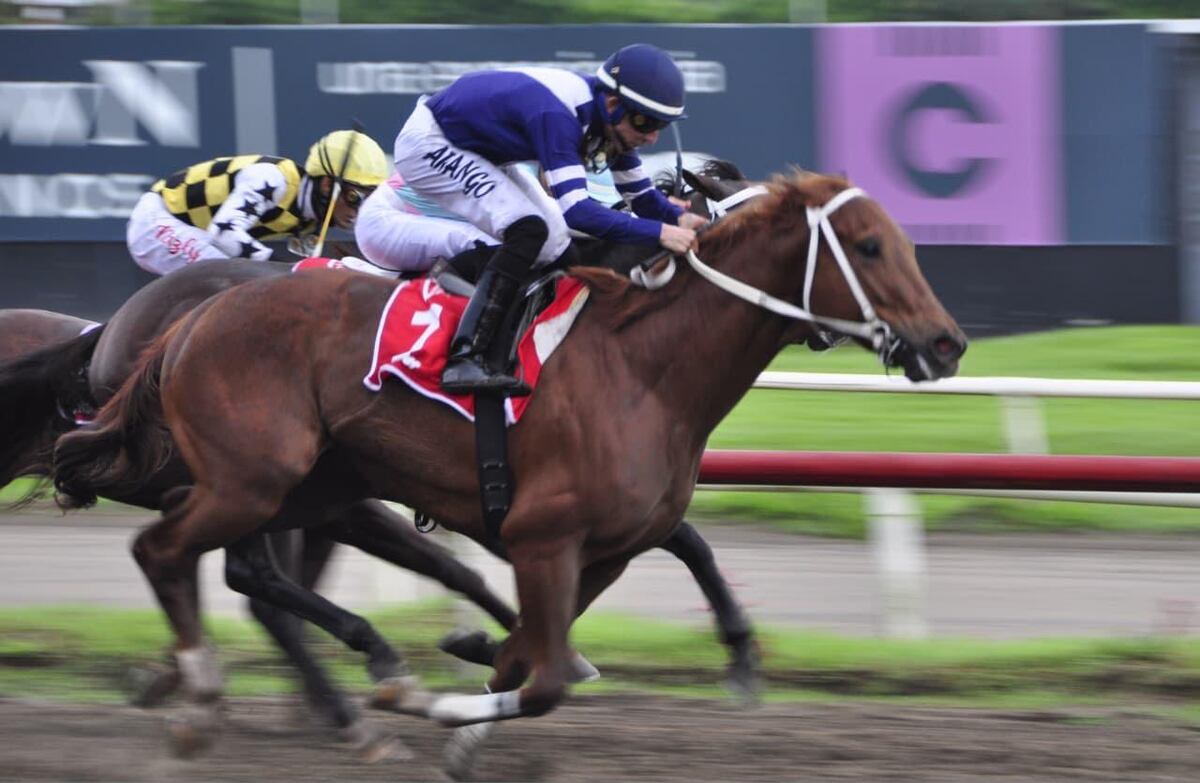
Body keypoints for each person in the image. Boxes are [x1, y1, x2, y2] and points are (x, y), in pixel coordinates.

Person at [390, 43, 707, 395]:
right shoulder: (560, 115)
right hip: (429, 144)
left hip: (477, 148)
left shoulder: (610, 121)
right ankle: (465, 354)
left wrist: (683, 219)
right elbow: (580, 212)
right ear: (614, 105)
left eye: (661, 125)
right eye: (645, 122)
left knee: (558, 245)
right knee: (529, 229)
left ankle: (544, 343)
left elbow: (644, 201)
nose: (651, 136)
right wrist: (661, 232)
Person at [126, 130, 389, 276]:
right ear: (326, 185)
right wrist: (282, 264)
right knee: (228, 275)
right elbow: (224, 233)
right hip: (156, 221)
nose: (359, 211)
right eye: (356, 198)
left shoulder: (312, 218)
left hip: (196, 231)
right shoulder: (273, 179)